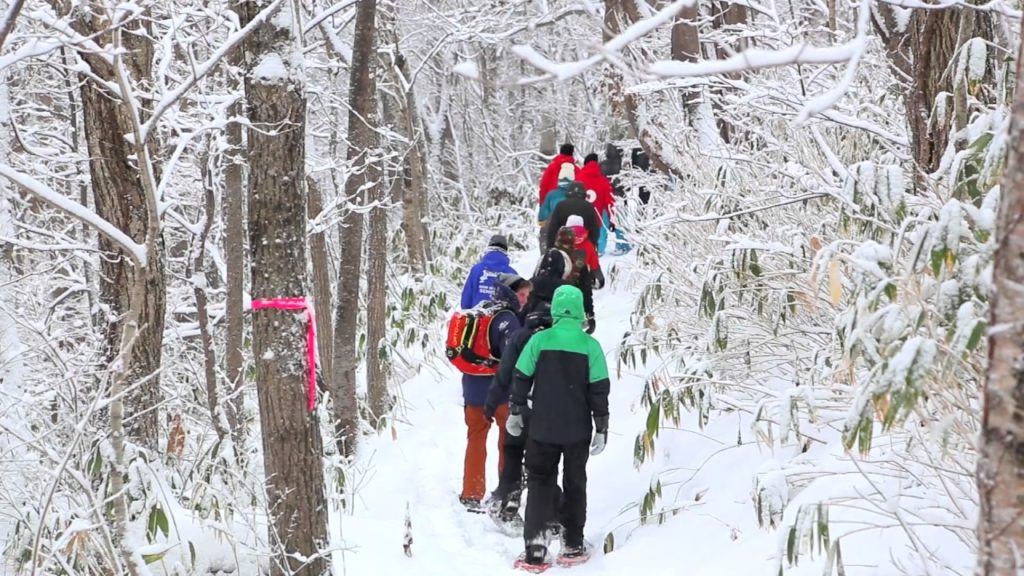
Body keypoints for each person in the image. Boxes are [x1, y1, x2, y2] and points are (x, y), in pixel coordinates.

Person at [507, 284, 611, 566]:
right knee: (575, 481)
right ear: (580, 312)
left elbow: (521, 376)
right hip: (577, 429)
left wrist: (516, 410)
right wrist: (602, 426)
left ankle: (536, 548)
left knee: (540, 481)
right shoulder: (591, 347)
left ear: (554, 310)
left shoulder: (539, 341)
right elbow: (599, 389)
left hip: (542, 426)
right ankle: (573, 544)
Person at [459, 273, 532, 511]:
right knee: (507, 442)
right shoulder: (508, 319)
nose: (524, 299)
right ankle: (504, 491)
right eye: (521, 294)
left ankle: (471, 492)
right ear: (511, 293)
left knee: (476, 439)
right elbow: (511, 357)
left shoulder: (482, 311)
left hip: (472, 387)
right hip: (498, 392)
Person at [461, 234, 517, 309]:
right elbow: (518, 303)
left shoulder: (477, 269)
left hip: (478, 317)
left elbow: (466, 300)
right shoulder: (512, 273)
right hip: (501, 318)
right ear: (505, 250)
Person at [543, 182, 601, 252]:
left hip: (564, 245)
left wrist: (550, 247)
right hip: (584, 247)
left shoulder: (560, 205)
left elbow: (553, 228)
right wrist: (593, 245)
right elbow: (594, 229)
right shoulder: (589, 207)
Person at [577, 153, 616, 255]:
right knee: (600, 230)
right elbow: (609, 201)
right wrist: (612, 217)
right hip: (597, 216)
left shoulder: (578, 178)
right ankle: (599, 250)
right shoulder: (603, 181)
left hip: (580, 215)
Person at [537, 163, 577, 254]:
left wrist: (542, 222)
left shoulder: (551, 194)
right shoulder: (577, 195)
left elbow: (543, 215)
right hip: (571, 231)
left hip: (552, 229)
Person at [565, 214, 605, 292]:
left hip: (565, 277)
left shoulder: (563, 243)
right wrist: (600, 278)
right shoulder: (588, 244)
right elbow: (594, 263)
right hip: (583, 278)